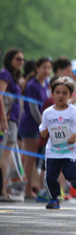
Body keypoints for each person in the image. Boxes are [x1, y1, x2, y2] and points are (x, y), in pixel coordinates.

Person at [39, 77, 76, 209]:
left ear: (71, 95)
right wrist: (43, 132)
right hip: (53, 151)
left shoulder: (73, 112)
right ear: (52, 93)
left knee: (69, 174)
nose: (61, 96)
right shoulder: (47, 113)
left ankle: (74, 180)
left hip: (69, 151)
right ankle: (54, 199)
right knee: (50, 177)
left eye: (65, 93)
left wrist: (74, 136)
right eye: (58, 92)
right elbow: (43, 127)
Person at [18, 57, 52, 199]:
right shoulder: (32, 85)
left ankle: (32, 187)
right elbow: (33, 108)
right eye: (44, 67)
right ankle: (26, 190)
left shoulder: (45, 84)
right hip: (31, 125)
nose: (46, 71)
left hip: (40, 125)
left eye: (49, 68)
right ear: (36, 68)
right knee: (29, 159)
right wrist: (43, 124)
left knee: (33, 159)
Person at [0, 48, 24, 198]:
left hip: (14, 119)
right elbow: (0, 96)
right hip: (7, 119)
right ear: (10, 60)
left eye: (23, 59)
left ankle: (6, 186)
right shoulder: (5, 74)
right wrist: (4, 119)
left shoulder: (13, 77)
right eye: (18, 59)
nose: (21, 62)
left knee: (8, 156)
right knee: (5, 156)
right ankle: (2, 189)